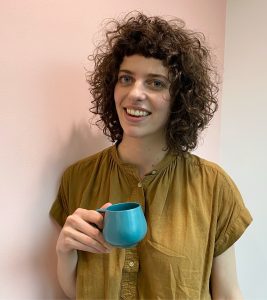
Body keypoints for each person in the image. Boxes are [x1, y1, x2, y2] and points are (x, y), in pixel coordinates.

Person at [50, 11, 252, 299]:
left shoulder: (213, 186)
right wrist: (64, 251)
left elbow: (228, 292)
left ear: (181, 98)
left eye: (155, 82)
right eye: (126, 78)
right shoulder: (78, 178)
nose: (134, 93)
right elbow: (80, 290)